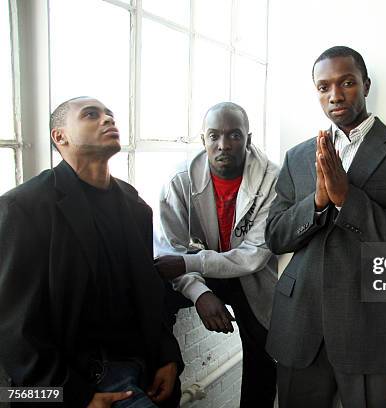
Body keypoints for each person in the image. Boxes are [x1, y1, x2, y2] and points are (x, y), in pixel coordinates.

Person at [265, 46, 386, 407]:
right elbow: (275, 235)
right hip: (300, 326)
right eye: (324, 87)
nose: (335, 95)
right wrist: (318, 202)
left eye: (347, 83)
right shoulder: (298, 155)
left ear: (366, 85)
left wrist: (346, 199)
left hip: (371, 326)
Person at [0, 97, 184, 407]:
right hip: (80, 379)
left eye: (110, 115)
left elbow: (148, 291)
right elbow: (15, 325)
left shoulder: (134, 203)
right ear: (60, 137)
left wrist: (168, 356)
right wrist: (74, 397)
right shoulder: (23, 208)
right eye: (91, 115)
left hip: (145, 367)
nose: (108, 120)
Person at [154, 102, 279, 407]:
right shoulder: (179, 180)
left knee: (262, 351)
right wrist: (199, 293)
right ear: (203, 140)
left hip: (251, 275)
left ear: (248, 139)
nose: (223, 145)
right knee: (154, 294)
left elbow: (253, 256)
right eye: (214, 136)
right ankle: (165, 385)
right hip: (205, 268)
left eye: (234, 135)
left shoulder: (272, 178)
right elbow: (170, 252)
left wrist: (188, 263)